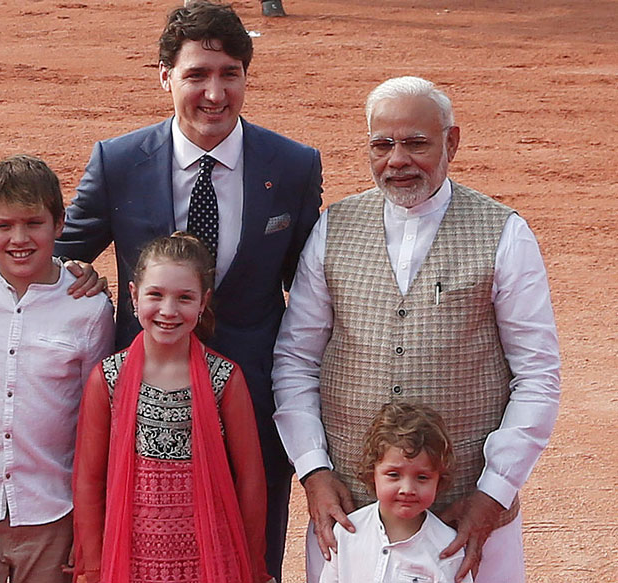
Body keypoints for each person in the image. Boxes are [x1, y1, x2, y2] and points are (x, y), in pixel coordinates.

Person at [55, 3, 322, 577]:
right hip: (148, 403)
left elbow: (309, 288)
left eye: (229, 73)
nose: (214, 93)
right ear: (165, 76)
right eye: (196, 74)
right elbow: (61, 253)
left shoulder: (294, 165)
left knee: (252, 551)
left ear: (246, 76)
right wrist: (80, 274)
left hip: (252, 397)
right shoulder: (119, 161)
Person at [272, 75, 560, 583]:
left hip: (466, 516)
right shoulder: (333, 227)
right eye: (382, 145)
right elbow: (296, 359)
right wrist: (314, 470)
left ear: (451, 142)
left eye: (415, 143)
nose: (397, 160)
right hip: (352, 519)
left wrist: (493, 494)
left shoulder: (505, 232)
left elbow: (537, 375)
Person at [0, 154, 115, 583]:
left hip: (53, 515)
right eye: (3, 226)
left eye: (34, 223)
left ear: (59, 224)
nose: (19, 238)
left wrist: (89, 521)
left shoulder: (89, 307)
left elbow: (97, 419)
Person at [72, 232, 272, 583]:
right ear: (133, 295)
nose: (168, 310)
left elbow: (251, 480)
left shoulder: (224, 379)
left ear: (203, 302)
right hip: (130, 556)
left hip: (211, 557)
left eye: (184, 298)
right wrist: (92, 566)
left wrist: (252, 564)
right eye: (155, 295)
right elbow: (89, 480)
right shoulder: (108, 379)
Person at [319, 402, 473, 583]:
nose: (407, 489)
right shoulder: (347, 533)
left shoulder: (447, 547)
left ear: (439, 479)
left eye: (422, 477)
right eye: (393, 475)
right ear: (372, 472)